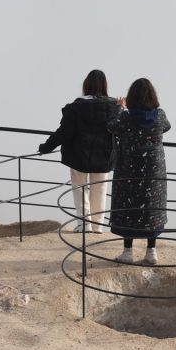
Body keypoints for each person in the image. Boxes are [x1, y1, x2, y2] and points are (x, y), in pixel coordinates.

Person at [38, 69, 121, 233]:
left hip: (78, 156)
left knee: (80, 189)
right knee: (100, 190)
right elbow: (119, 129)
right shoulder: (113, 107)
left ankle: (84, 225)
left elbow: (64, 132)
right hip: (104, 157)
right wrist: (121, 109)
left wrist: (46, 147)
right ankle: (98, 226)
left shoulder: (76, 107)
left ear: (86, 85)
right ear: (105, 86)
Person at [108, 78, 171, 265]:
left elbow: (111, 125)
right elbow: (167, 126)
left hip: (129, 170)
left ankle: (127, 252)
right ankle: (151, 252)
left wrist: (120, 107)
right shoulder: (159, 115)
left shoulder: (126, 118)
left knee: (129, 208)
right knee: (151, 208)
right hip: (154, 172)